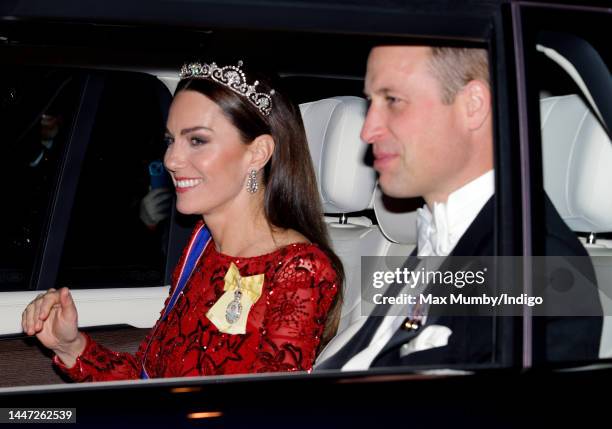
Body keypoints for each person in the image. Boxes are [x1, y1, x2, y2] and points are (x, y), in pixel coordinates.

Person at [22, 60, 343, 380]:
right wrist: (70, 345)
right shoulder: (202, 246)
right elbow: (151, 379)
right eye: (170, 140)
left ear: (257, 153)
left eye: (197, 140)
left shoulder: (300, 270)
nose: (171, 159)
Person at [315, 45, 601, 370]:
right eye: (370, 103)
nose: (367, 131)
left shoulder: (539, 265)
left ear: (473, 106)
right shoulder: (443, 236)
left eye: (393, 100)